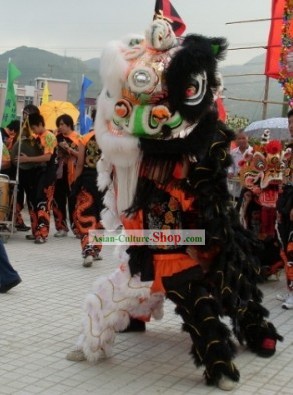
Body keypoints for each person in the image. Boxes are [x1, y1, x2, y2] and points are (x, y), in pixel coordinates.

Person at [15, 113, 57, 244]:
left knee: (43, 203)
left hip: (47, 174)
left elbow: (47, 157)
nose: (32, 131)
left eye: (33, 128)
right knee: (33, 202)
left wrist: (28, 159)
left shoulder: (49, 136)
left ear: (40, 124)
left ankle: (42, 234)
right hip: (36, 174)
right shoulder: (36, 137)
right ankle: (35, 232)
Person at [71, 124, 104, 267]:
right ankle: (96, 249)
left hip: (88, 180)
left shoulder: (85, 138)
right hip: (105, 182)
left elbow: (79, 165)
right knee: (101, 217)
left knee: (86, 215)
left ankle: (88, 250)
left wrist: (75, 183)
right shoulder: (112, 138)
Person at [275, 108, 293, 309]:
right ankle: (290, 288)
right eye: (290, 123)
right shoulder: (289, 150)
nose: (291, 126)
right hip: (286, 200)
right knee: (284, 245)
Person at [52, 114, 81, 237]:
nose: (60, 127)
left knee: (74, 201)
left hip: (73, 174)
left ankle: (77, 229)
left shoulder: (78, 138)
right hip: (58, 173)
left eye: (63, 124)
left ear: (69, 124)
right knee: (58, 200)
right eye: (59, 124)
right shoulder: (56, 137)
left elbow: (81, 156)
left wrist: (69, 149)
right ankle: (61, 227)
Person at [228, 129, 252, 201]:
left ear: (248, 138)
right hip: (235, 183)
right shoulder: (233, 152)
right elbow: (230, 165)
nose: (241, 140)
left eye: (243, 138)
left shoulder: (253, 152)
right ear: (235, 140)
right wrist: (230, 172)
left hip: (248, 186)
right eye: (239, 138)